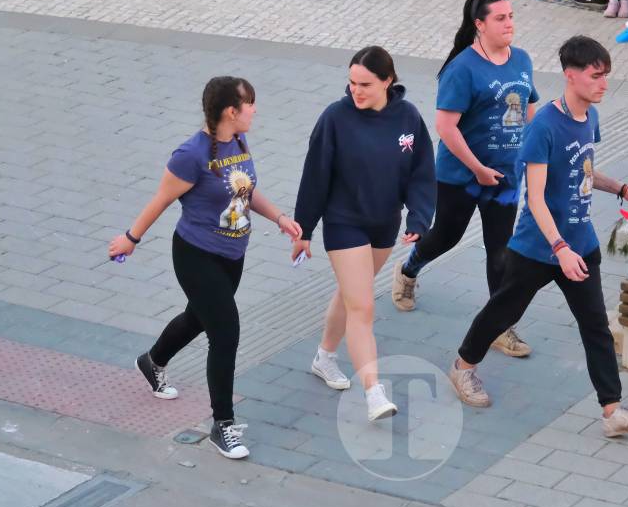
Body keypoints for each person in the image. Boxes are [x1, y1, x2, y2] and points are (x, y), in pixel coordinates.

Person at [446, 35, 628, 439]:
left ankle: (612, 410)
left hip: (580, 245)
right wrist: (558, 247)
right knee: (504, 312)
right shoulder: (543, 126)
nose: (603, 85)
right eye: (596, 76)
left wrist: (622, 189)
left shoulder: (589, 119)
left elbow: (582, 171)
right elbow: (537, 199)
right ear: (570, 75)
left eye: (606, 76)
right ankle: (463, 367)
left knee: (594, 325)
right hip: (537, 247)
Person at [110, 77, 302, 461]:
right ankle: (223, 425)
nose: (255, 110)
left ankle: (153, 361)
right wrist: (131, 238)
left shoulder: (237, 143)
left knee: (199, 317)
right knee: (225, 332)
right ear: (232, 111)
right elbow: (161, 200)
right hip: (196, 254)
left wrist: (279, 217)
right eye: (250, 104)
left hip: (234, 254)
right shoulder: (191, 154)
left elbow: (244, 192)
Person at [391, 0, 539, 359]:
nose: (509, 24)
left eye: (511, 16)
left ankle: (500, 326)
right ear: (479, 24)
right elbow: (446, 126)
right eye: (500, 18)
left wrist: (537, 154)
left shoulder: (521, 60)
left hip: (504, 177)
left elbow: (530, 111)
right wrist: (477, 168)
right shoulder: (462, 68)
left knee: (502, 250)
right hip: (461, 176)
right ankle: (408, 270)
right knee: (445, 236)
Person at [293, 47, 436, 422]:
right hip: (344, 222)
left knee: (350, 292)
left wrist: (419, 220)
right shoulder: (335, 118)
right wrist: (303, 229)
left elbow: (422, 172)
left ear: (388, 80)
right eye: (352, 83)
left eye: (365, 84)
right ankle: (374, 392)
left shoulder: (408, 117)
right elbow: (314, 176)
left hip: (384, 225)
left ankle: (325, 356)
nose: (355, 91)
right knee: (363, 306)